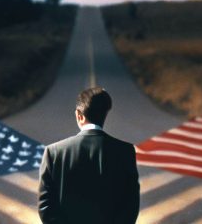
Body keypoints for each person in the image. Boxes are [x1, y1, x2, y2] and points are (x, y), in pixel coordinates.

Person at [38, 87, 140, 224]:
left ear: (78, 115)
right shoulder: (125, 151)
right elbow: (131, 205)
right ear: (105, 114)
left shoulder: (53, 152)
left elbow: (46, 206)